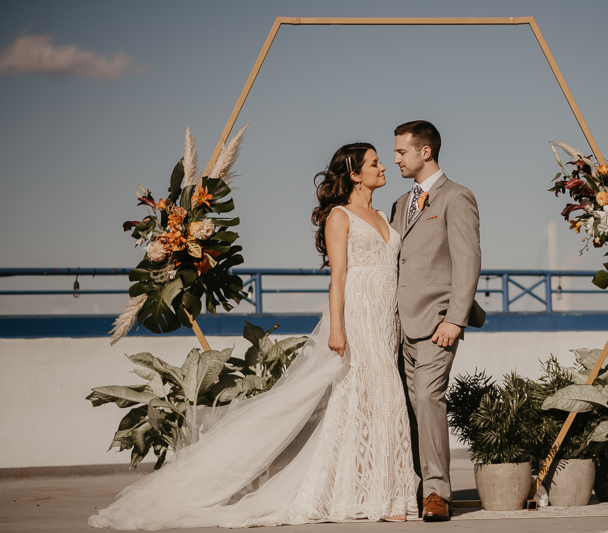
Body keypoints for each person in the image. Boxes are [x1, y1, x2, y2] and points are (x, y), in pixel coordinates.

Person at [89, 143, 417, 529]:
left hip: (386, 320)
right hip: (357, 316)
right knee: (363, 399)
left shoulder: (383, 214)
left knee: (388, 399)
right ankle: (368, 493)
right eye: (376, 163)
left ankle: (386, 490)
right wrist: (339, 327)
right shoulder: (339, 217)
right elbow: (339, 276)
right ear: (355, 174)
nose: (384, 168)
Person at [389, 120, 485, 522]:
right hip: (398, 325)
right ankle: (412, 486)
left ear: (425, 151)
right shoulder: (398, 203)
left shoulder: (457, 197)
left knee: (429, 399)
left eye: (401, 152)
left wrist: (455, 320)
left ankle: (437, 493)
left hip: (437, 322)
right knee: (408, 407)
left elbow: (467, 261)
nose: (395, 159)